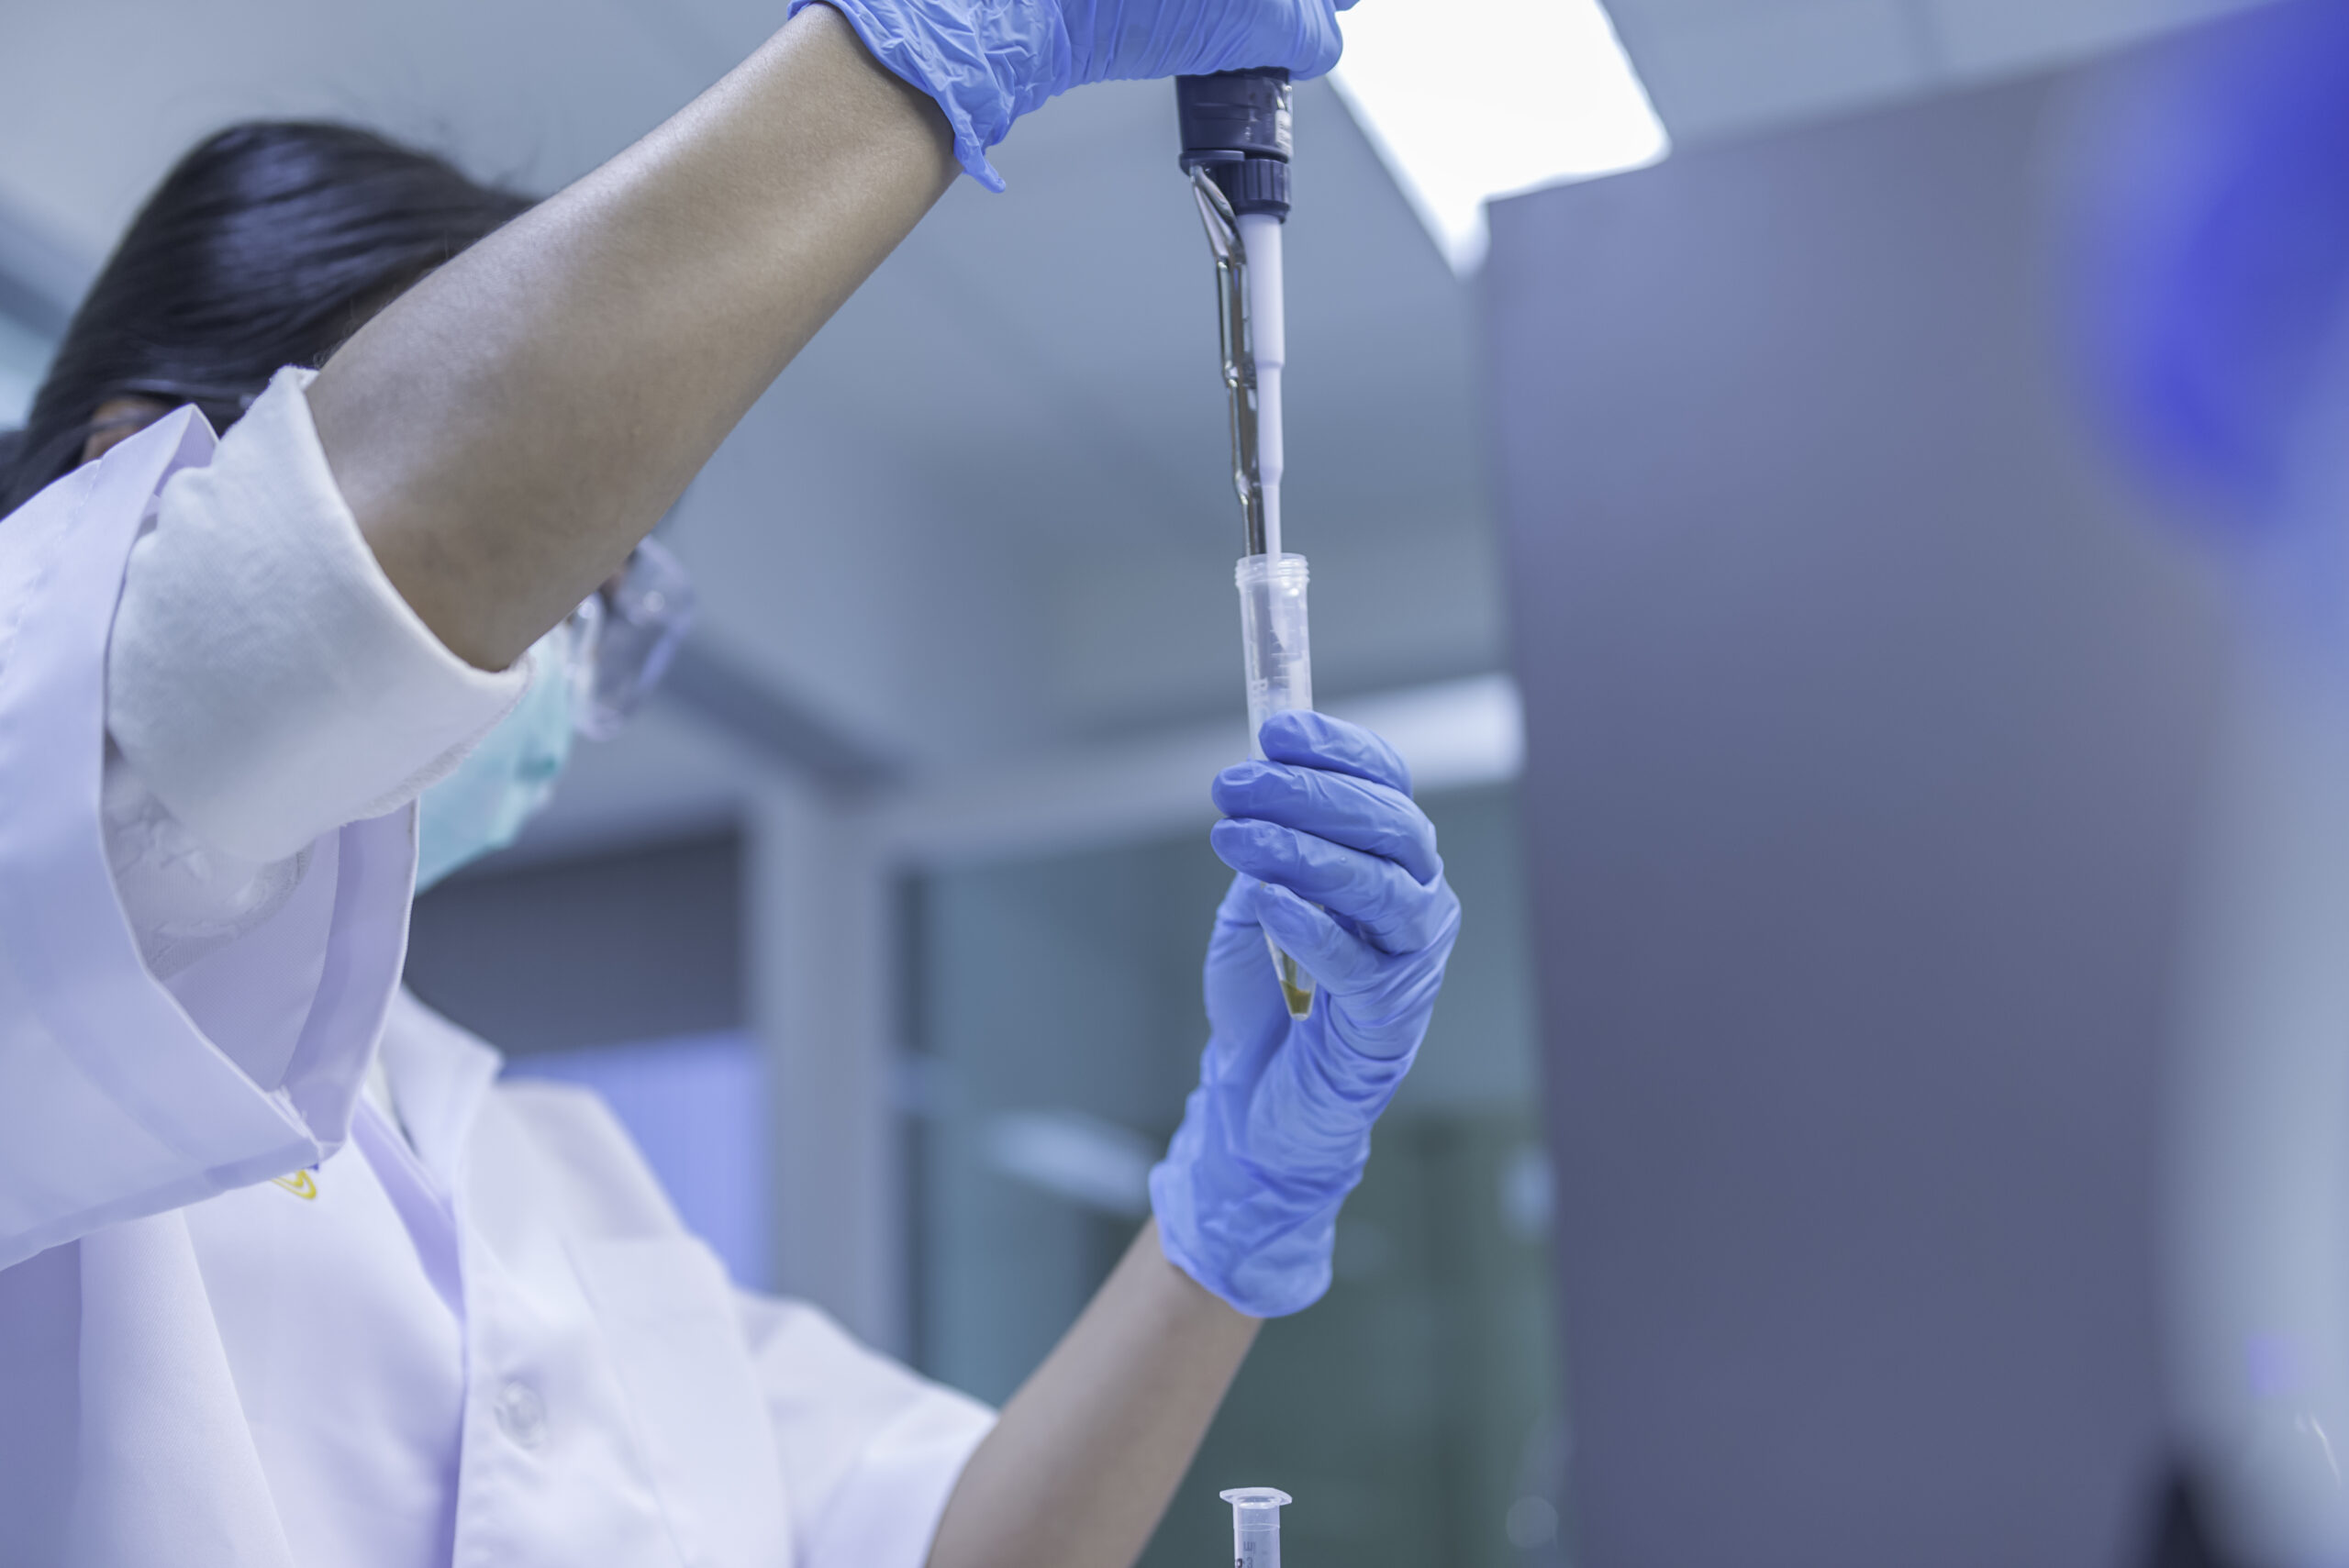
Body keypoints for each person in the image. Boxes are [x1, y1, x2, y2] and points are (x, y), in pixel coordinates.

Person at [0, 3, 1462, 1568]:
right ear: (130, 476)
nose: (539, 646)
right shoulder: (37, 823)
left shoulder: (555, 1176)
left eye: (597, 586)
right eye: (555, 556)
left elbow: (962, 1545)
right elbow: (319, 590)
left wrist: (1227, 1218)